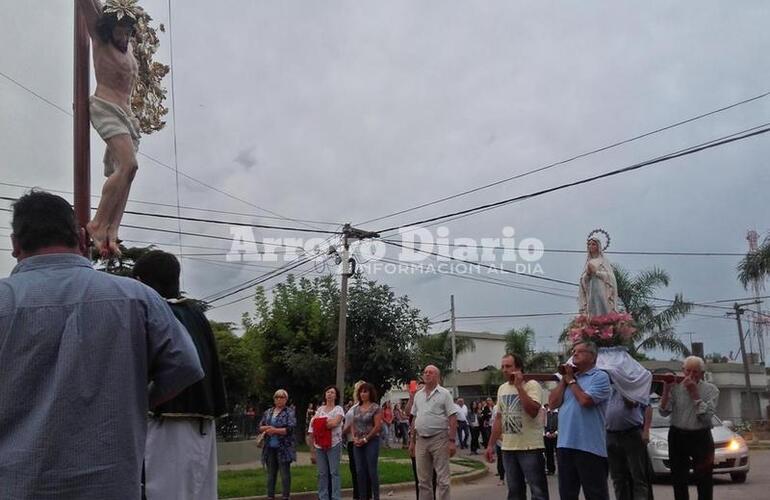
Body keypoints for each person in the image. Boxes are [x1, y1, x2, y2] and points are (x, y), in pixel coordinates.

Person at [0, 191, 204, 499]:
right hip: (111, 485)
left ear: (15, 244)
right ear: (81, 238)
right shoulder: (137, 297)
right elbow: (186, 365)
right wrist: (138, 401)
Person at [133, 250, 229, 500]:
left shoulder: (158, 313)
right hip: (203, 427)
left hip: (166, 426)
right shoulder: (196, 315)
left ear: (141, 282)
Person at [77, 0, 144, 257]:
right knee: (129, 165)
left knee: (128, 173)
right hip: (107, 107)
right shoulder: (100, 39)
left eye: (127, 32)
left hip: (128, 116)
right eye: (118, 32)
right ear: (108, 29)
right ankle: (97, 224)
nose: (123, 37)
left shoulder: (129, 49)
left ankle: (112, 229)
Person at [548, 341, 611, 500]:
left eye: (580, 351)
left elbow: (585, 401)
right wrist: (565, 380)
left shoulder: (600, 377)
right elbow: (552, 403)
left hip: (590, 447)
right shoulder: (568, 379)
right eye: (574, 351)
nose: (575, 354)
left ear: (593, 357)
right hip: (565, 445)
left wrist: (571, 381)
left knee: (596, 494)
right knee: (567, 494)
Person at [486, 353, 549, 500]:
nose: (504, 370)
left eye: (508, 366)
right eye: (502, 366)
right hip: (508, 448)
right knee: (515, 492)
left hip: (530, 447)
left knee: (538, 491)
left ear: (519, 368)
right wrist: (490, 445)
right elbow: (499, 419)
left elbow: (533, 411)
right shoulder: (502, 388)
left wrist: (519, 387)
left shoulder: (532, 385)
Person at [659, 356, 719, 500]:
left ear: (702, 373)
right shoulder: (675, 387)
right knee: (678, 478)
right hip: (678, 435)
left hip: (701, 436)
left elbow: (706, 417)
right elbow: (663, 412)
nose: (691, 375)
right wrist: (666, 390)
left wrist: (695, 394)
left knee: (704, 478)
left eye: (695, 372)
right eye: (688, 371)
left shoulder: (711, 390)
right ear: (683, 370)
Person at [409, 365, 457, 500]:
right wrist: (412, 441)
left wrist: (452, 441)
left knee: (443, 480)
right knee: (423, 481)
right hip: (421, 440)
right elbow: (414, 418)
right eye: (425, 372)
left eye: (430, 372)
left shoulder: (445, 394)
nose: (427, 374)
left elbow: (452, 417)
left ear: (437, 376)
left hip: (439, 439)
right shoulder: (418, 395)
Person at [605, 384, 653, 500]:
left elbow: (633, 404)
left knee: (638, 476)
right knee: (618, 478)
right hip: (611, 434)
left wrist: (646, 430)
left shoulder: (632, 385)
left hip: (631, 433)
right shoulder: (607, 386)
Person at [347, 382, 383, 500]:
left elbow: (377, 426)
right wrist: (354, 437)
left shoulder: (376, 408)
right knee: (359, 470)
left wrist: (366, 439)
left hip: (371, 441)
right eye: (361, 392)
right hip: (357, 442)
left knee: (371, 470)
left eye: (365, 392)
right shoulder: (356, 408)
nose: (363, 394)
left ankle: (376, 496)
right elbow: (353, 424)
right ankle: (362, 496)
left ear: (370, 393)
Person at [309, 386, 345, 500]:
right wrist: (325, 422)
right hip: (319, 444)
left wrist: (320, 423)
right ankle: (323, 496)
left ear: (336, 396)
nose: (329, 394)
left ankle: (335, 497)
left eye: (332, 392)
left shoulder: (338, 409)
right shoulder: (320, 409)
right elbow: (313, 425)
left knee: (334, 472)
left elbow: (335, 423)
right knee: (322, 473)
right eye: (328, 392)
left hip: (334, 443)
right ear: (325, 395)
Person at [260, 389, 297, 500]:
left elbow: (290, 429)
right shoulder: (268, 412)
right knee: (271, 474)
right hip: (269, 447)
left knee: (284, 474)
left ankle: (285, 496)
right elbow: (260, 427)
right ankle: (270, 496)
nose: (279, 399)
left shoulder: (289, 412)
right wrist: (268, 428)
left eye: (282, 397)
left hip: (284, 448)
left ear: (286, 399)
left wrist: (275, 430)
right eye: (277, 397)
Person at [578, 232, 618, 318]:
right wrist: (588, 274)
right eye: (589, 244)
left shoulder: (603, 261)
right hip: (591, 290)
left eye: (593, 244)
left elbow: (611, 277)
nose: (591, 246)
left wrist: (596, 272)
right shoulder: (588, 262)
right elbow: (583, 280)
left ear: (598, 246)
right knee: (593, 313)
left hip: (602, 290)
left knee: (603, 311)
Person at [344, 381, 371, 500]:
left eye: (364, 390)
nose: (360, 392)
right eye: (358, 389)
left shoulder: (369, 406)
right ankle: (357, 494)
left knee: (364, 469)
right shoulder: (353, 407)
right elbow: (348, 424)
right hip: (351, 440)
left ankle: (366, 494)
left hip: (364, 440)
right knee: (354, 469)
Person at [542, 404, 558, 475]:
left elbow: (561, 424)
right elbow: (543, 424)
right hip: (547, 436)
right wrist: (547, 432)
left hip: (557, 436)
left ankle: (561, 469)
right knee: (549, 453)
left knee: (558, 453)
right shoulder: (546, 413)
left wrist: (556, 433)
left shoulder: (558, 413)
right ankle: (550, 469)